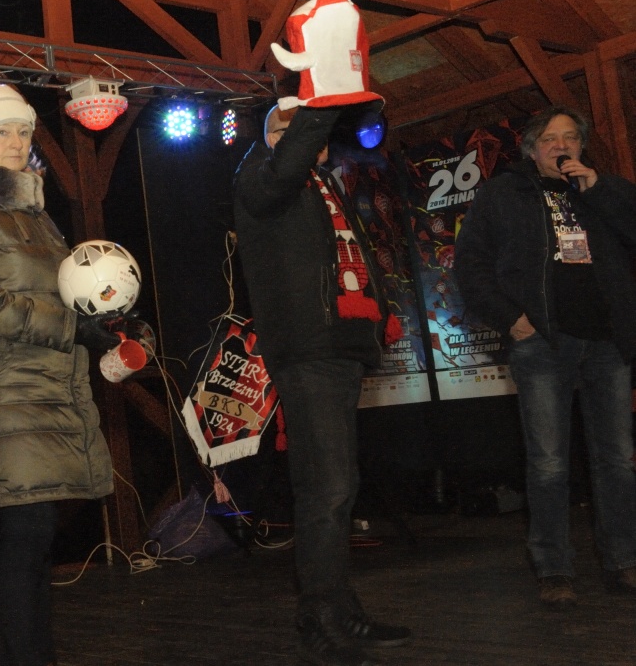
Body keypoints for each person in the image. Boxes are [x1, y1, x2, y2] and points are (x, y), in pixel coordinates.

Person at [0, 82, 126, 666]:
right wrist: (73, 328)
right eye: (1, 131)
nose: (15, 142)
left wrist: (108, 319)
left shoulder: (35, 213)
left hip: (56, 384)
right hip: (6, 387)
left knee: (36, 541)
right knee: (26, 533)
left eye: (23, 131)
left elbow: (67, 295)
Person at [233, 100, 411, 666]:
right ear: (272, 140)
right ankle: (319, 617)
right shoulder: (260, 177)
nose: (308, 141)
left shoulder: (324, 185)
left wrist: (378, 318)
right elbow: (284, 167)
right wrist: (313, 108)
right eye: (287, 130)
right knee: (326, 489)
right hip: (308, 347)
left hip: (340, 346)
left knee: (338, 487)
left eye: (313, 132)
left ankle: (341, 608)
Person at [455, 105, 636, 610]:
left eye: (571, 137)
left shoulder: (602, 189)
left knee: (618, 459)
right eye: (551, 138)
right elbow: (470, 264)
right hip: (542, 341)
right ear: (532, 149)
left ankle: (624, 560)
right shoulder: (503, 194)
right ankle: (554, 568)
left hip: (607, 342)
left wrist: (599, 189)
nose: (562, 145)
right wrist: (511, 319)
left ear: (581, 146)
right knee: (550, 463)